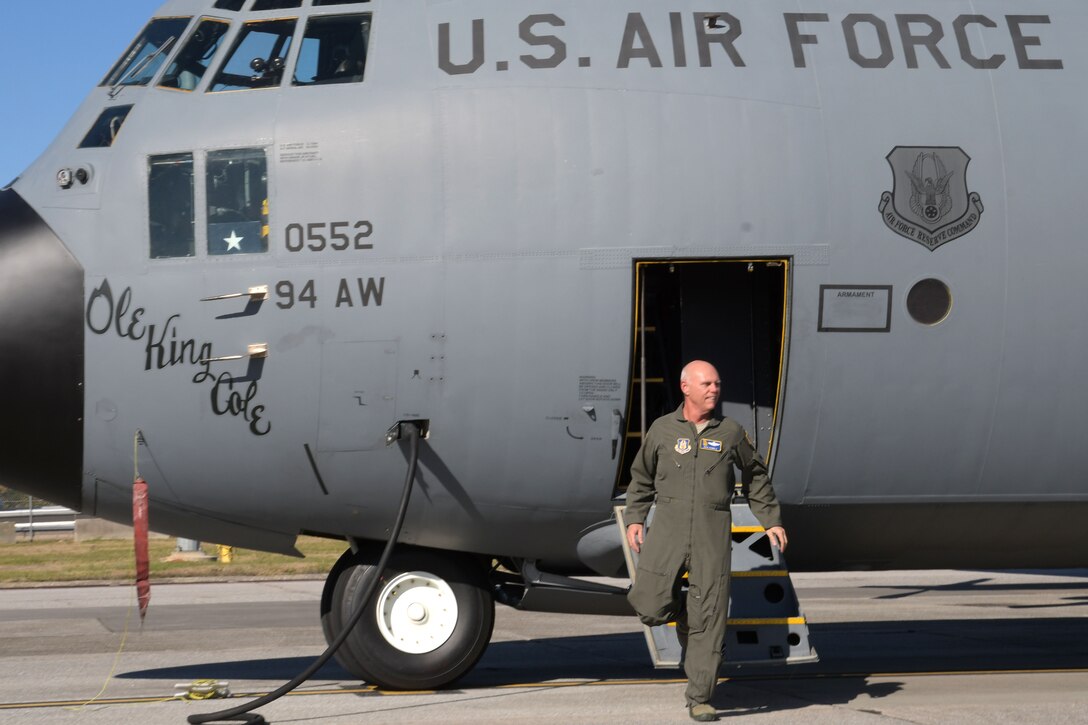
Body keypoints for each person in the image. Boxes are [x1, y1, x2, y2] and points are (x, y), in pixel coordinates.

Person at [625, 360, 788, 722]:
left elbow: (756, 474)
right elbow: (641, 477)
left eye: (717, 383)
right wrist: (636, 517)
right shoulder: (662, 430)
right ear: (686, 387)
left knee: (710, 617)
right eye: (706, 383)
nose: (714, 389)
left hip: (712, 531)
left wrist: (770, 519)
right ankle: (683, 617)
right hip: (667, 526)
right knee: (649, 605)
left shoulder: (730, 432)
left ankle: (699, 696)